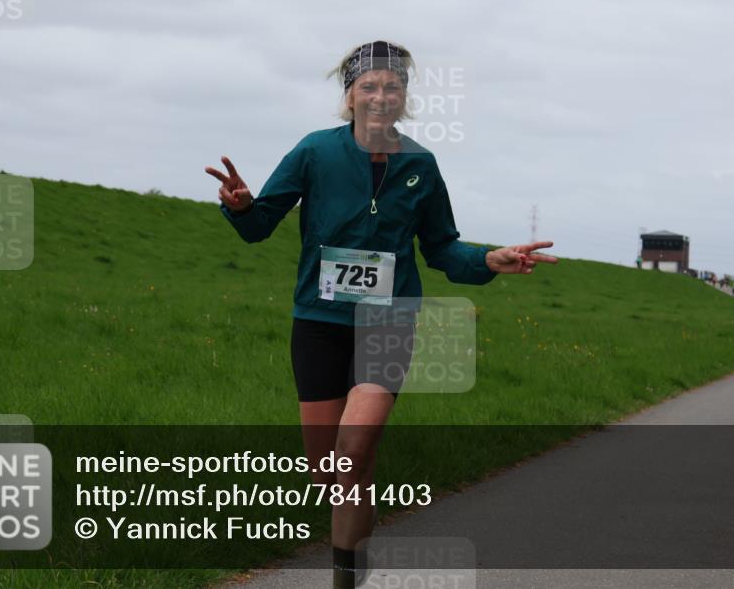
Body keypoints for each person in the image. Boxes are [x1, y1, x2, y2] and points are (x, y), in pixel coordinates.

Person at [206, 41, 558, 588]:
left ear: (404, 97)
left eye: (391, 86)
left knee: (355, 445)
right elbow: (258, 227)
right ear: (349, 95)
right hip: (318, 322)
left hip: (388, 322)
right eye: (368, 85)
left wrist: (489, 259)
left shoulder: (420, 165)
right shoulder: (314, 152)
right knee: (335, 474)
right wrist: (242, 207)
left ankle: (344, 581)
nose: (380, 95)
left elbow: (441, 247)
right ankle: (356, 550)